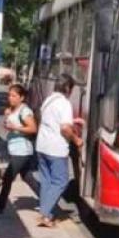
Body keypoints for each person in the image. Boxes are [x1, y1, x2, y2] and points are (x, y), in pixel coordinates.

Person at [0, 84, 39, 218]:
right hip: (15, 149)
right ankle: (49, 200)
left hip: (22, 150)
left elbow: (33, 128)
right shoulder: (12, 110)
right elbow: (12, 126)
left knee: (7, 177)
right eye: (9, 95)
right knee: (27, 178)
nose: (10, 98)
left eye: (14, 96)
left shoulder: (25, 111)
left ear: (22, 97)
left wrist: (15, 128)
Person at [35, 74, 83, 228]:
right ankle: (45, 214)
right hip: (56, 149)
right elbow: (64, 128)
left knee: (46, 181)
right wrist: (77, 140)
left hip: (42, 146)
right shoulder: (64, 103)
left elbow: (52, 120)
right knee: (60, 181)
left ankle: (47, 214)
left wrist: (71, 121)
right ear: (68, 88)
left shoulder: (48, 99)